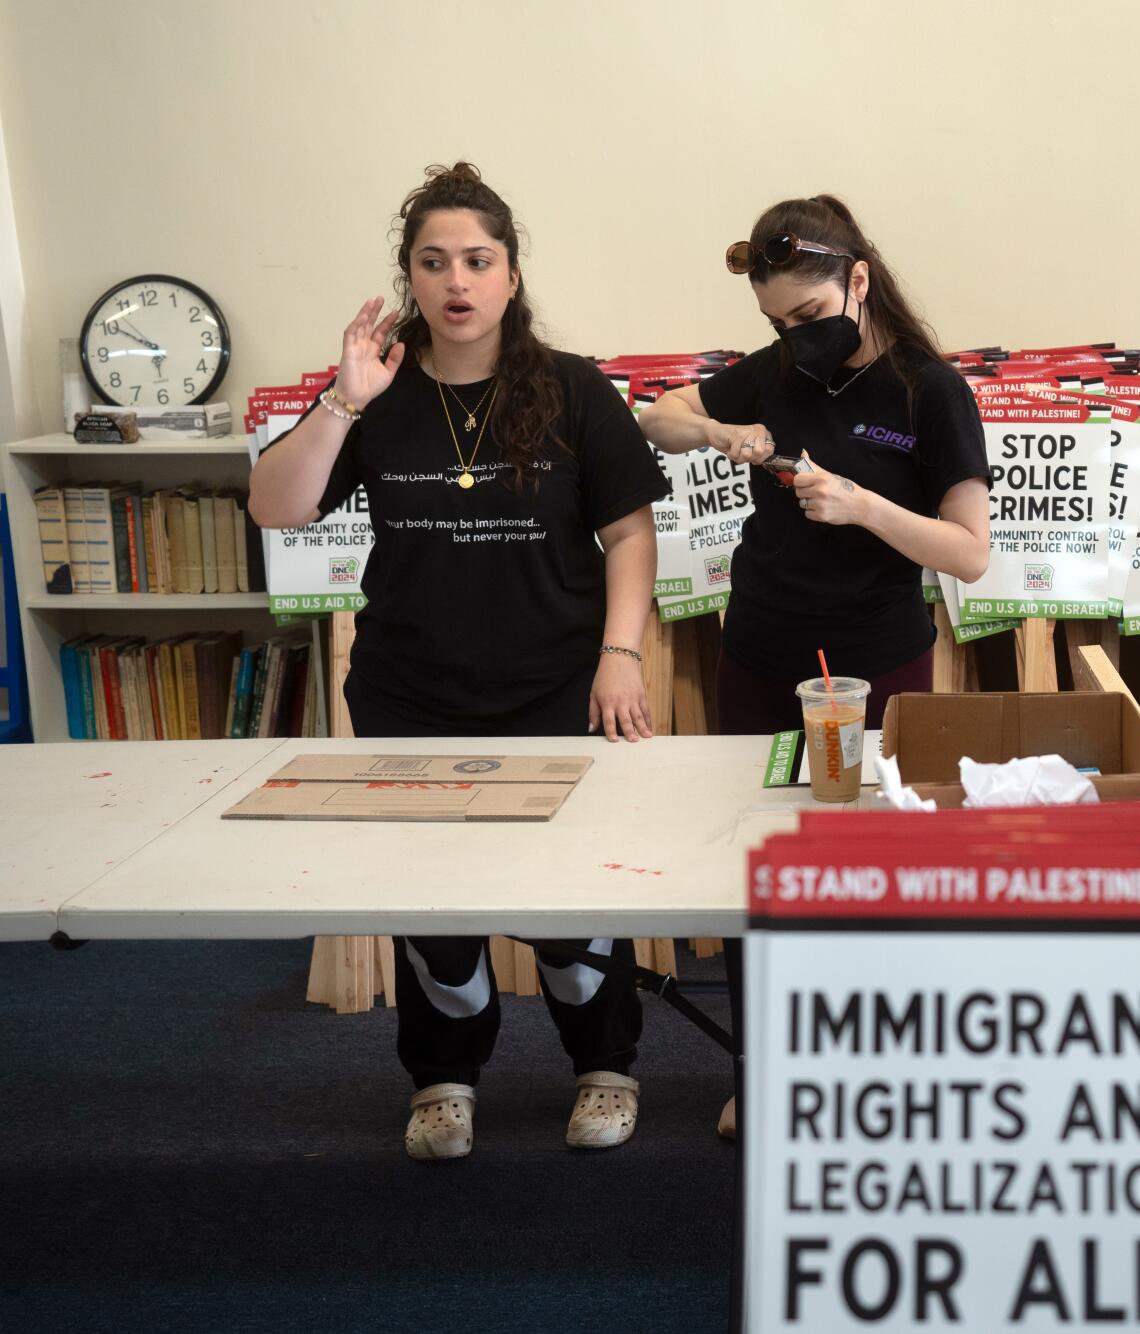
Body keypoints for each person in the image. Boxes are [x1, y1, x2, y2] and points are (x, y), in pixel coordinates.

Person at [247, 163, 668, 1161]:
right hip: (408, 688)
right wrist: (342, 403)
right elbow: (275, 506)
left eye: (477, 259)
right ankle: (442, 1079)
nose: (456, 280)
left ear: (510, 275)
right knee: (430, 900)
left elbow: (632, 533)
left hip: (555, 685)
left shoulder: (570, 389)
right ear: (409, 279)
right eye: (433, 262)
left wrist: (620, 654)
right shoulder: (377, 392)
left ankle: (603, 1066)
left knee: (571, 904)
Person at [638, 195, 991, 1137]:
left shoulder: (931, 391)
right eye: (774, 325)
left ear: (859, 280)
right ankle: (764, 1068)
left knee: (874, 864)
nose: (796, 341)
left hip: (878, 663)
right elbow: (655, 418)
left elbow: (968, 552)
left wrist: (866, 507)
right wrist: (721, 434)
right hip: (760, 648)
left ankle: (873, 1076)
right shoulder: (776, 375)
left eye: (808, 317)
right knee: (758, 859)